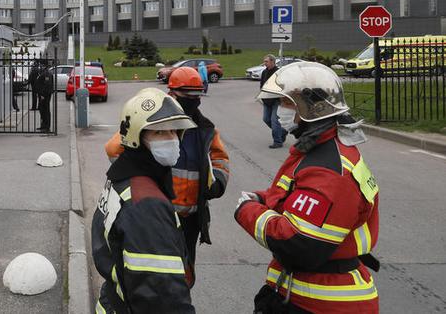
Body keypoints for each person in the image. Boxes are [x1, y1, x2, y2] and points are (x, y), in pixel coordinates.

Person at [235, 61, 380, 313]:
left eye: (288, 103)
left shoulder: (329, 169)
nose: (281, 110)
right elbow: (295, 194)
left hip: (323, 302)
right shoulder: (321, 149)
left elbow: (300, 245)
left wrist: (247, 211)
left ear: (313, 108)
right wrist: (263, 198)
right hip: (310, 293)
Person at [104, 66, 230, 288]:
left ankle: (179, 296)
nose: (193, 101)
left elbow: (220, 158)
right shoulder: (149, 124)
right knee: (158, 273)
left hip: (191, 216)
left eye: (196, 95)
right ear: (172, 94)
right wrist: (139, 180)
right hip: (158, 212)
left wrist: (218, 181)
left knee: (184, 268)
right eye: (187, 96)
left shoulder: (205, 129)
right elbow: (116, 148)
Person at [92, 88, 196, 314]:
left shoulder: (123, 175)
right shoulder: (147, 203)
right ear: (136, 138)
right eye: (158, 133)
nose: (171, 139)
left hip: (114, 299)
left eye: (173, 131)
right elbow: (161, 296)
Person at [260, 54, 287, 149]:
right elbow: (262, 86)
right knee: (266, 119)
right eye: (264, 61)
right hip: (267, 100)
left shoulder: (278, 72)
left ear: (272, 62)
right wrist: (262, 96)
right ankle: (282, 132)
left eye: (266, 61)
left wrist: (282, 99)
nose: (264, 63)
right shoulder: (264, 72)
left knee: (274, 121)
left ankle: (278, 142)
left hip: (277, 101)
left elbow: (283, 86)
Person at [31, 59, 54, 132]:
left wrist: (42, 94)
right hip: (42, 95)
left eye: (41, 65)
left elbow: (47, 84)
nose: (39, 66)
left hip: (45, 95)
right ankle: (43, 125)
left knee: (45, 110)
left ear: (44, 65)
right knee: (42, 110)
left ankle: (47, 126)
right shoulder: (43, 72)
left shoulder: (47, 73)